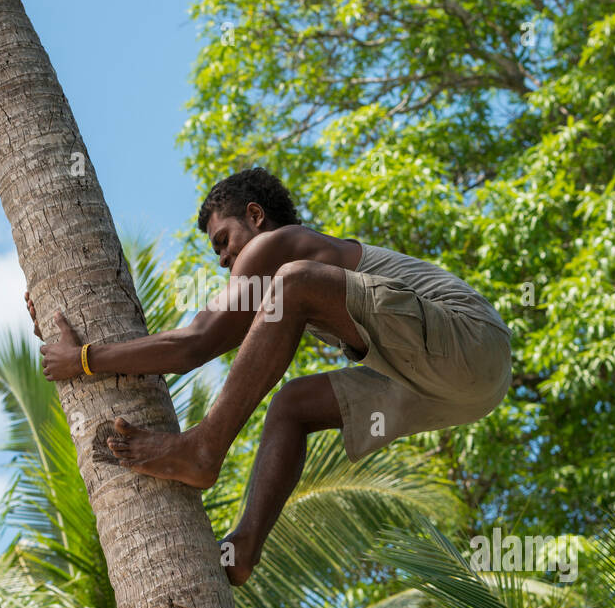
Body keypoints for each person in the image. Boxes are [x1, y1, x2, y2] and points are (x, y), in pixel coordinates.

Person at [26, 167, 511, 586]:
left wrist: (84, 358)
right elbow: (204, 340)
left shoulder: (280, 247)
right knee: (292, 406)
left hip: (470, 337)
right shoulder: (294, 283)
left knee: (293, 283)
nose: (220, 258)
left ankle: (203, 449)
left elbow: (196, 343)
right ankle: (243, 550)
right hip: (462, 390)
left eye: (223, 241)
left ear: (255, 217)